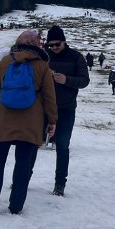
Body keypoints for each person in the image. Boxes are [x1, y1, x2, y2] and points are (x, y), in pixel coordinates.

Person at [0, 30, 58, 215]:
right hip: (31, 121)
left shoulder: (5, 61)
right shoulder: (43, 66)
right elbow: (50, 97)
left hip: (2, 118)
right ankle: (16, 205)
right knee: (23, 164)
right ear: (38, 45)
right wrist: (52, 121)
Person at [45, 25, 90, 196]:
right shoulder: (44, 56)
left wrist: (67, 80)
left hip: (66, 108)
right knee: (32, 144)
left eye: (57, 44)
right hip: (43, 107)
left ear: (64, 41)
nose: (54, 48)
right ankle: (23, 179)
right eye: (51, 45)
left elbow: (84, 80)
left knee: (63, 146)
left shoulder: (76, 57)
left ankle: (60, 184)